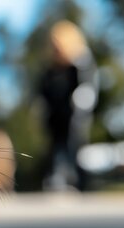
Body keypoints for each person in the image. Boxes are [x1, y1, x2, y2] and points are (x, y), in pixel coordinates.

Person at [39, 21, 98, 191]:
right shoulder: (51, 68)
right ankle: (55, 179)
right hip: (55, 115)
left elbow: (88, 85)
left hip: (75, 115)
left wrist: (80, 103)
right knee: (55, 148)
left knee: (76, 147)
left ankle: (81, 182)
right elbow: (43, 89)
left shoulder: (81, 62)